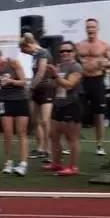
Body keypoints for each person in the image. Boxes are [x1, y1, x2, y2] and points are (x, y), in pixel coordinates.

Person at [0, 47, 30, 176]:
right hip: (4, 100)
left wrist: (11, 81)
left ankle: (23, 163)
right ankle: (8, 162)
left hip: (20, 99)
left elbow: (23, 82)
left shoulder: (13, 62)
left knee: (21, 132)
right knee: (7, 132)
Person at [44, 42, 83, 176]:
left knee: (71, 138)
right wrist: (51, 76)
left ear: (74, 52)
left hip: (71, 104)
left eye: (68, 50)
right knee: (54, 135)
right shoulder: (60, 66)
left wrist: (55, 75)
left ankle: (73, 167)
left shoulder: (76, 67)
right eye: (62, 51)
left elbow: (69, 85)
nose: (65, 53)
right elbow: (54, 85)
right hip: (58, 103)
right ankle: (56, 163)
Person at [76, 18, 110, 155]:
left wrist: (104, 64)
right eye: (88, 27)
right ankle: (74, 143)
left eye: (93, 27)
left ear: (97, 28)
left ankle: (99, 145)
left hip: (97, 80)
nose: (90, 29)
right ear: (86, 29)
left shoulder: (104, 45)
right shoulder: (79, 45)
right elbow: (73, 61)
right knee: (77, 112)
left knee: (99, 114)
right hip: (82, 80)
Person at [19, 33, 53, 162]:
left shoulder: (43, 53)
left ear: (28, 45)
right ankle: (40, 148)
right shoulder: (35, 55)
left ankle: (48, 150)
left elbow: (41, 72)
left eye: (25, 50)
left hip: (46, 89)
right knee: (35, 120)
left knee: (45, 121)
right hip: (37, 90)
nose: (26, 53)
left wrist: (30, 88)